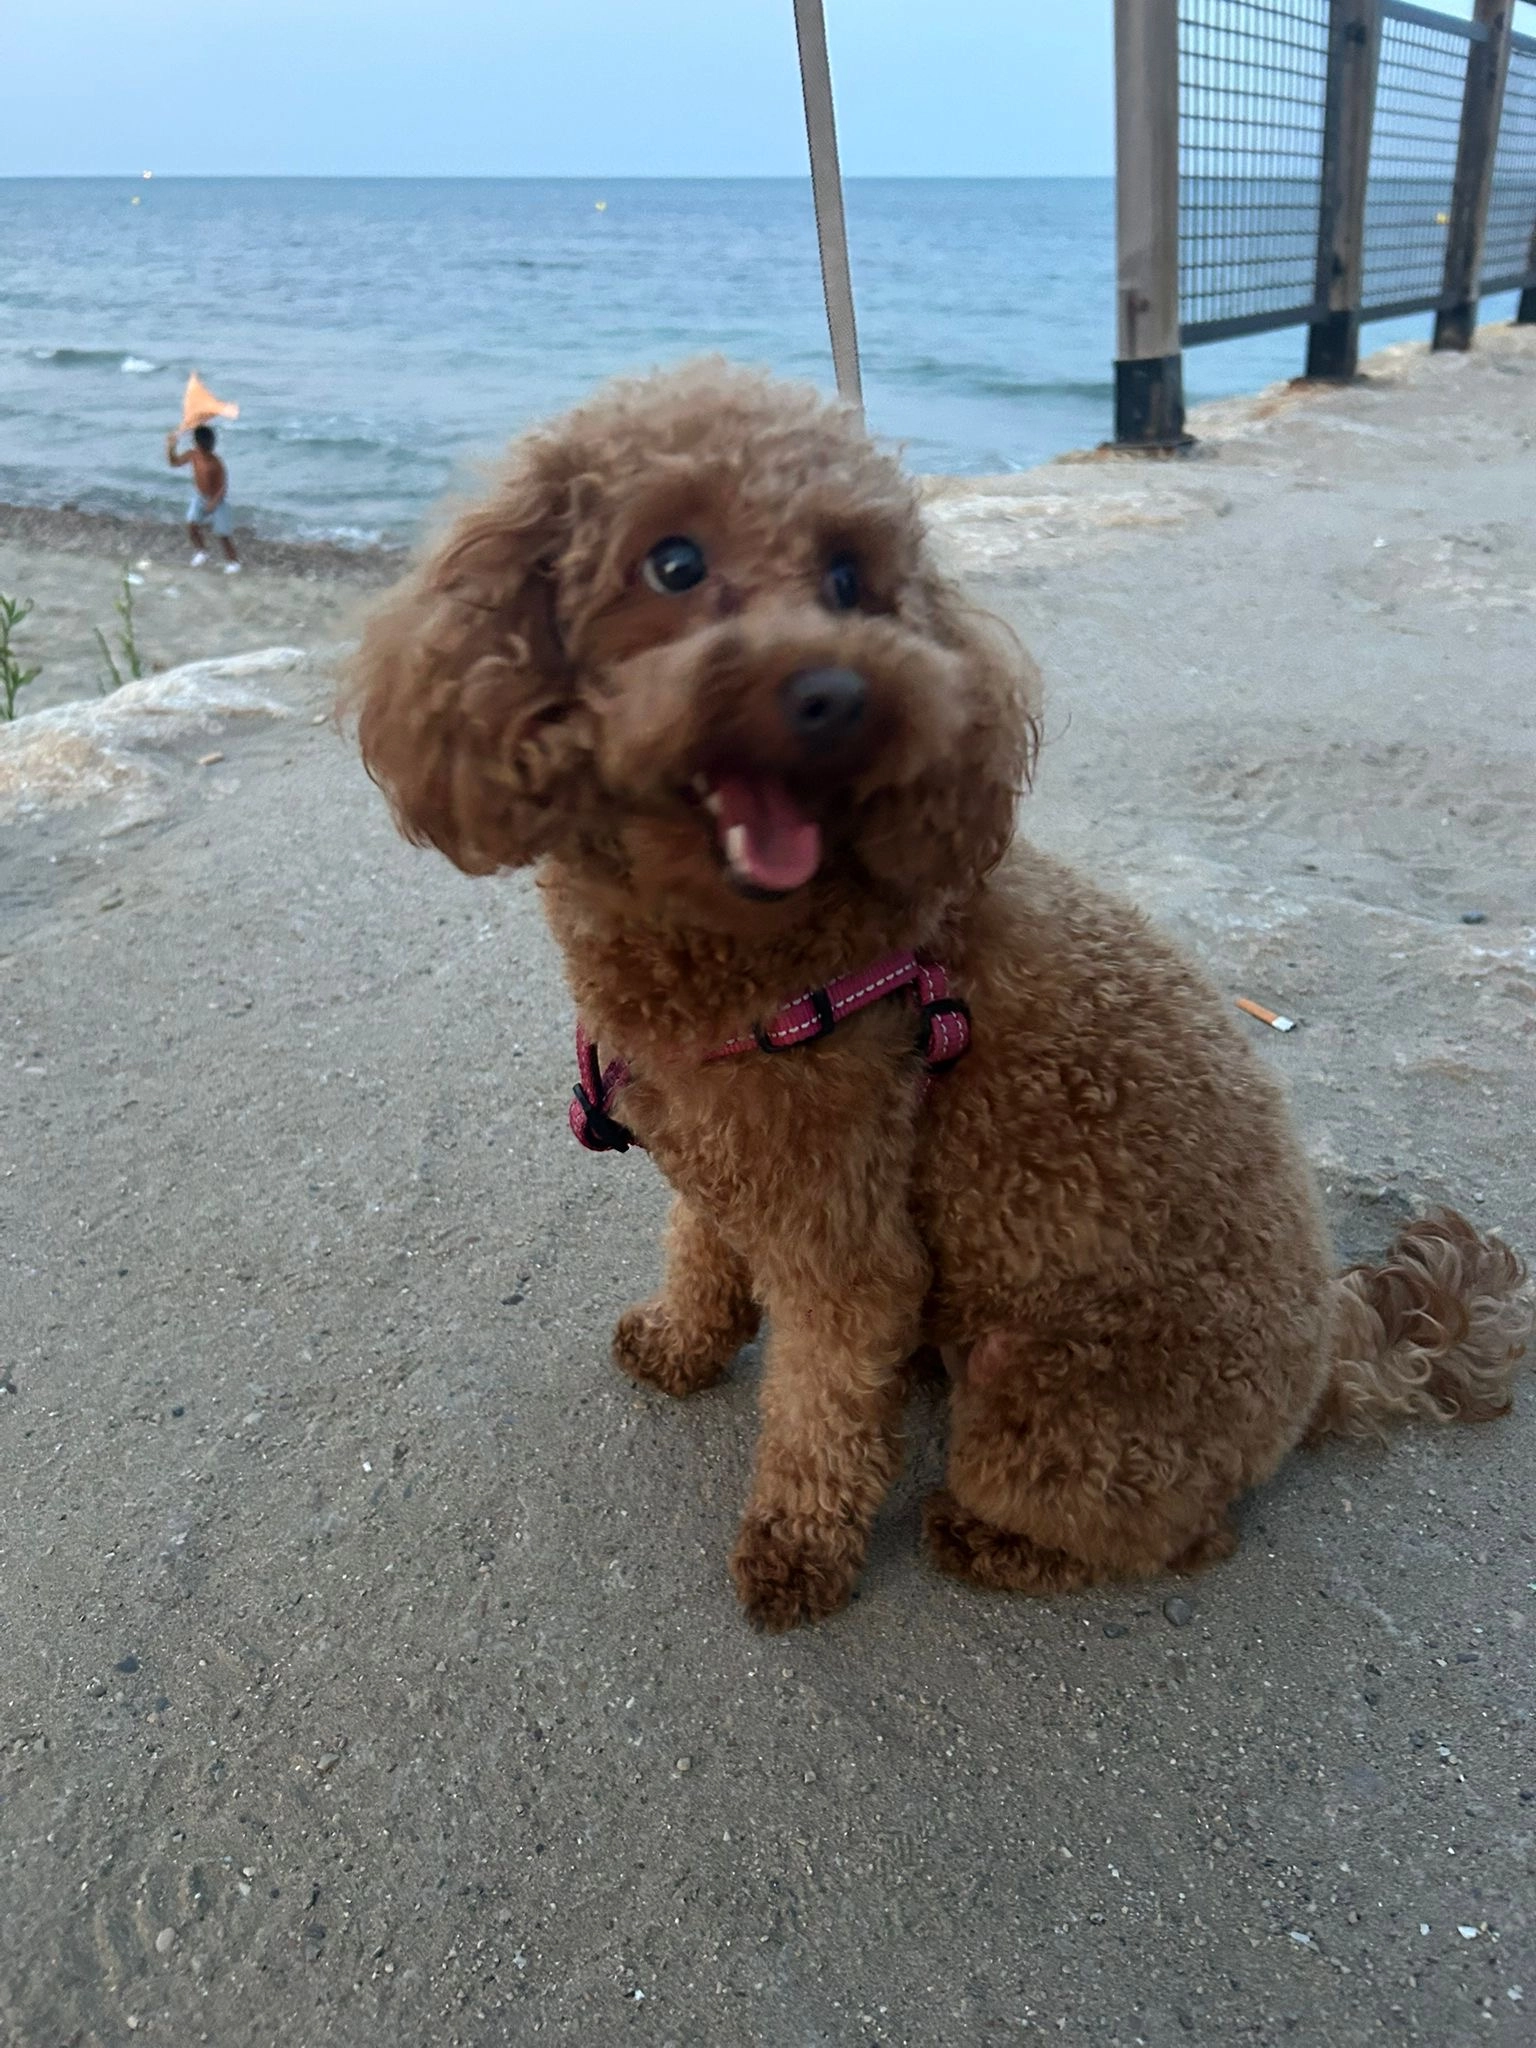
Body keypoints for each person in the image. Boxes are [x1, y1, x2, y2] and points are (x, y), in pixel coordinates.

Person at [166, 423, 240, 571]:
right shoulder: (193, 455)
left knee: (223, 533)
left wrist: (213, 502)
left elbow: (222, 487)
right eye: (203, 445)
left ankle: (233, 562)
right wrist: (171, 446)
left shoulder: (216, 462)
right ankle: (201, 552)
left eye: (209, 445)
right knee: (192, 526)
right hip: (200, 497)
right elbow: (174, 462)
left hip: (217, 500)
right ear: (197, 443)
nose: (207, 448)